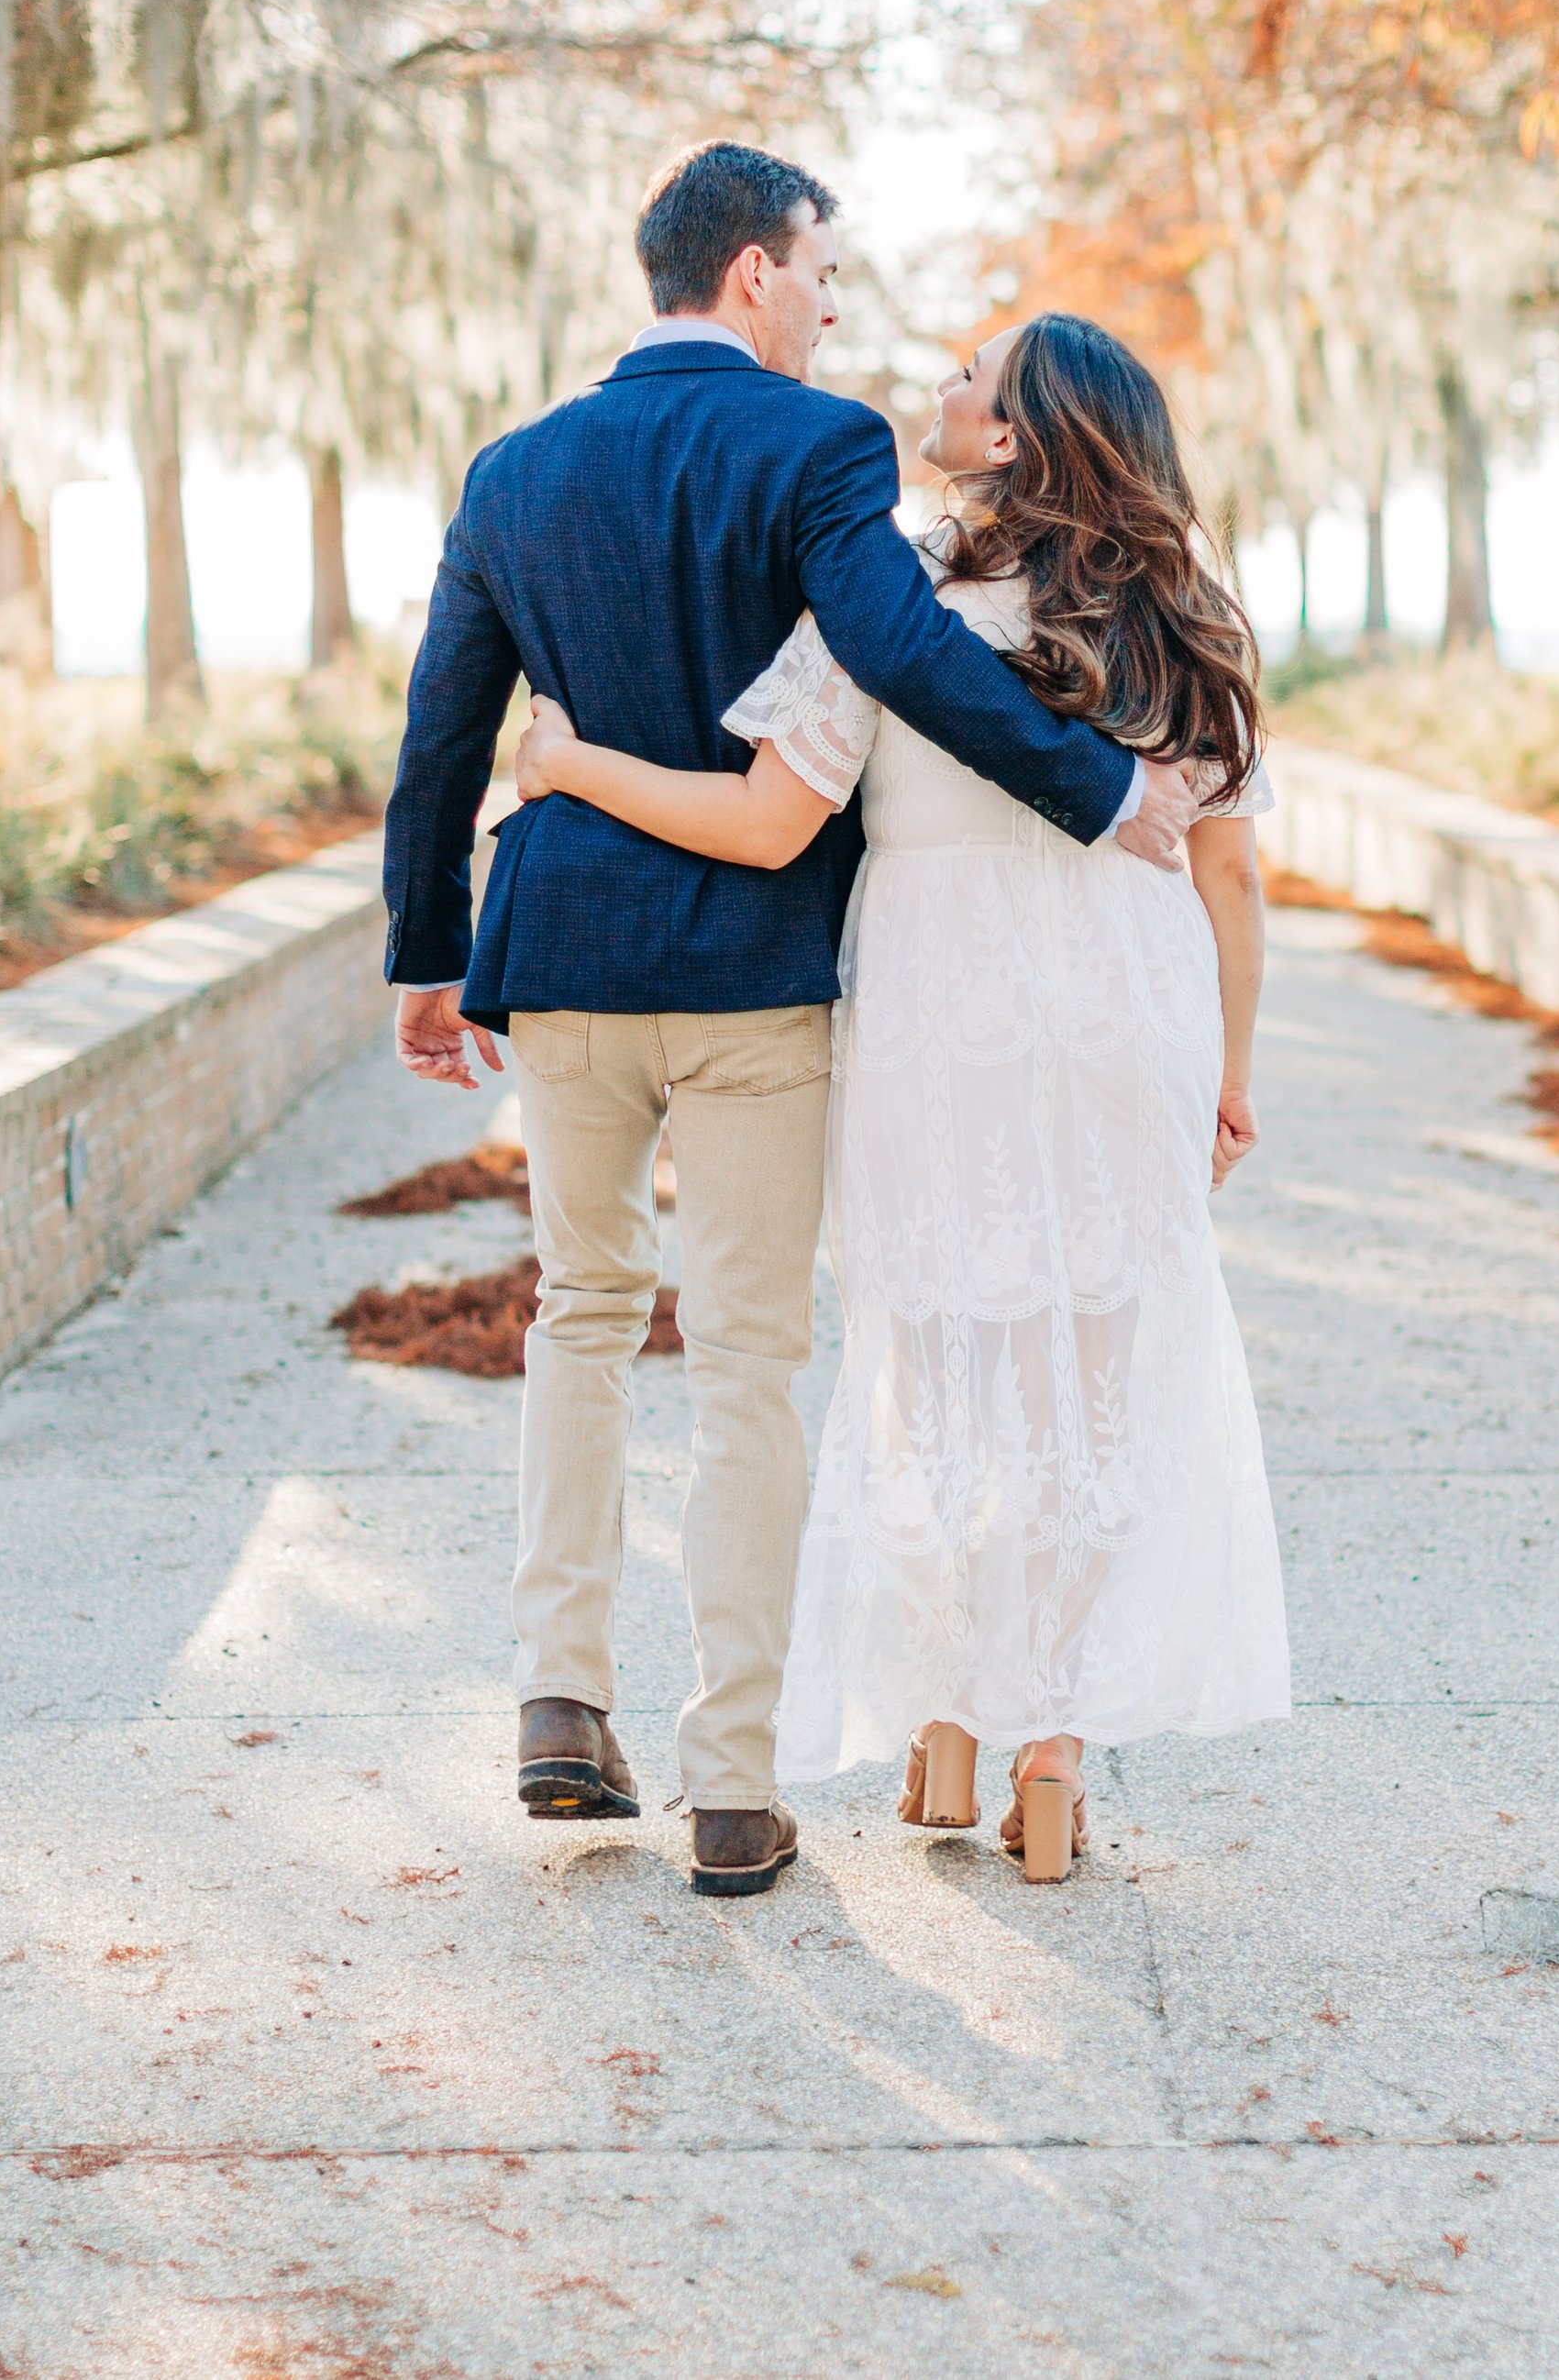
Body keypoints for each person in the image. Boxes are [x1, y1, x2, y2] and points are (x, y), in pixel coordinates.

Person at [381, 146, 1197, 1903]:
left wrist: (426, 952)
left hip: (571, 955)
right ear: (754, 272)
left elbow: (447, 729)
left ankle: (556, 1693)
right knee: (749, 1358)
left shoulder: (514, 471)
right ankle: (730, 1781)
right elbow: (904, 651)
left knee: (578, 1316)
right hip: (750, 971)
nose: (835, 307)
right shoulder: (817, 448)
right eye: (822, 273)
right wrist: (1094, 791)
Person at [514, 311, 1290, 1886]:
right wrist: (1231, 1069)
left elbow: (757, 824)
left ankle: (943, 1718)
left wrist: (571, 764)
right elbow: (1233, 878)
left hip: (940, 1021)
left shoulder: (887, 597)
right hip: (1128, 1020)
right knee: (1094, 1378)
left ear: (1009, 438)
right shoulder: (1188, 613)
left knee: (932, 1365)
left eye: (965, 380)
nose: (932, 392)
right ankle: (1052, 1758)